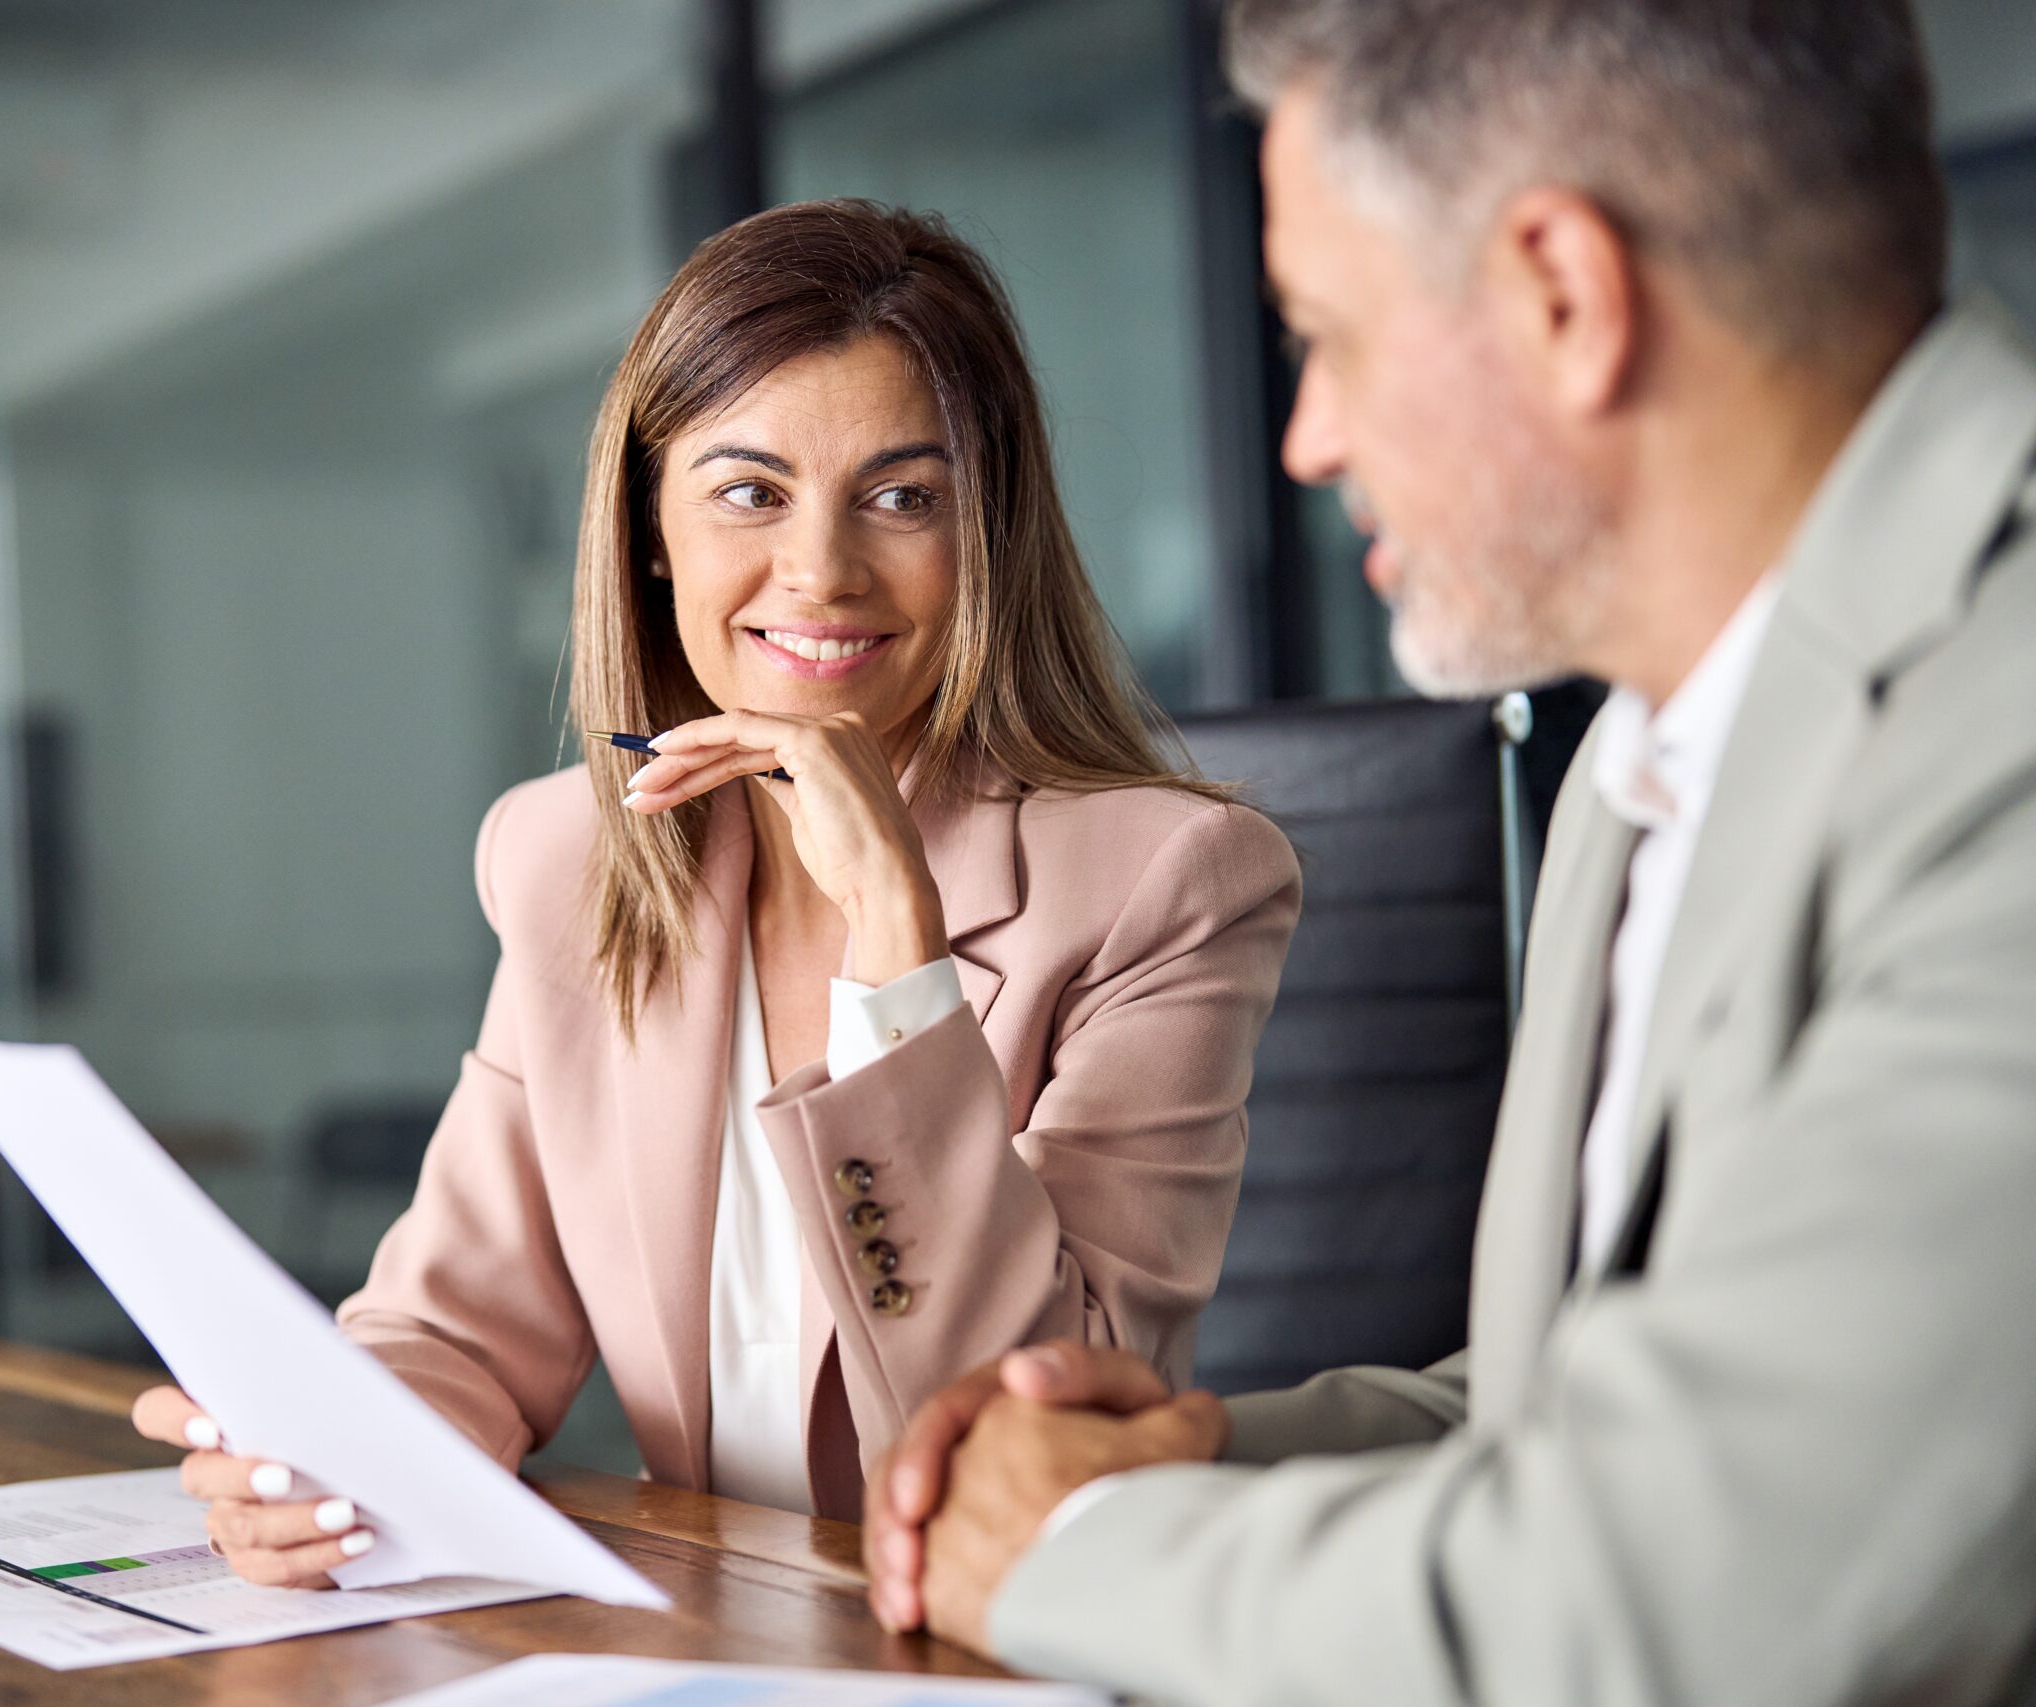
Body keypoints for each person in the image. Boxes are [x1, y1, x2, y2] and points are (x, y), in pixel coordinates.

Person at [863, 2, 2036, 1700]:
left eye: (1327, 339)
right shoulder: (1649, 756)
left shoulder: (1998, 745)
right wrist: (1189, 1462)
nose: (1306, 441)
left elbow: (1688, 1596)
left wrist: (1074, 1553)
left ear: (1566, 296)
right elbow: (1568, 1411)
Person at [132, 199, 1301, 1584]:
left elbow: (1043, 1429)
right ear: (650, 534)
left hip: (1005, 1640)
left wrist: (899, 954)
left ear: (987, 535)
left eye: (903, 497)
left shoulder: (1166, 883)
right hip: (706, 1634)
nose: (820, 571)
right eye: (750, 492)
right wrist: (332, 1453)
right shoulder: (572, 859)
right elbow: (457, 1329)